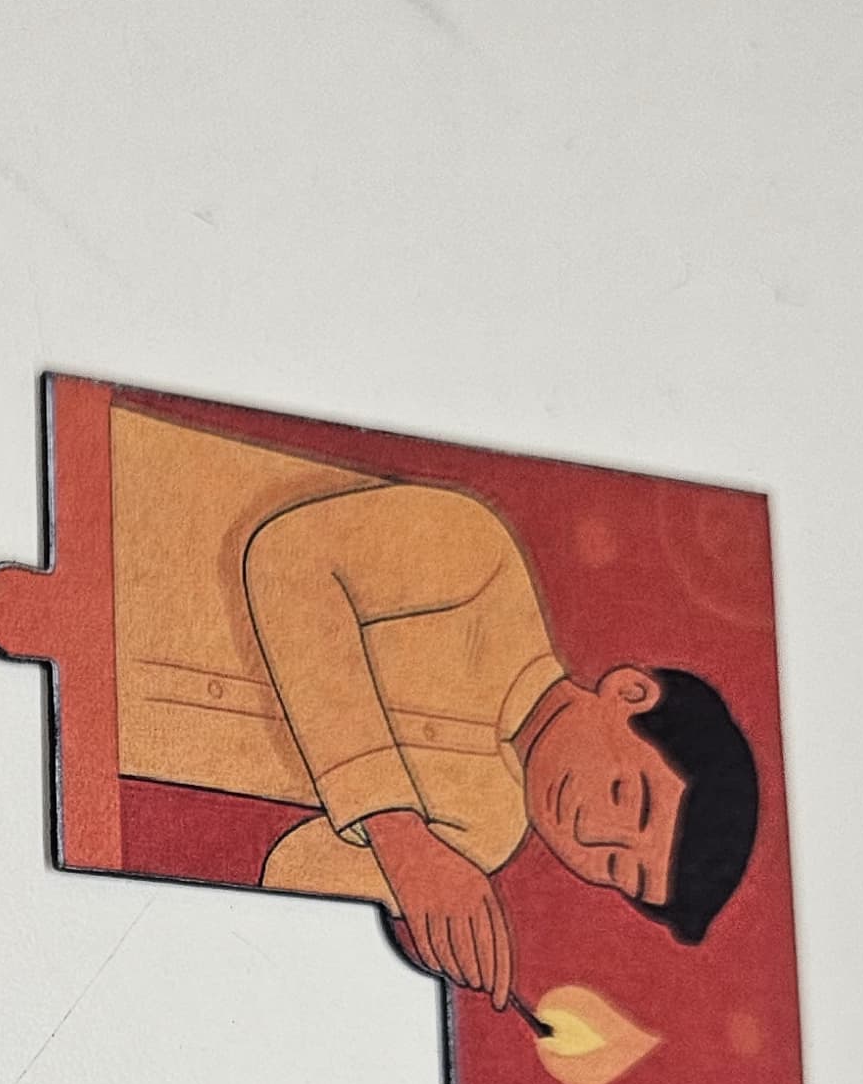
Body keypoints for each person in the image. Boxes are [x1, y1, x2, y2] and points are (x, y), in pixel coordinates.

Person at [105, 403, 761, 1008]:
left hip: (119, 717)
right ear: (628, 692)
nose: (590, 833)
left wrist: (415, 921)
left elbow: (287, 869)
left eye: (615, 868)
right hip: (129, 516)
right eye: (625, 795)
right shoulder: (484, 565)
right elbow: (287, 562)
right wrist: (399, 834)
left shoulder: (484, 841)